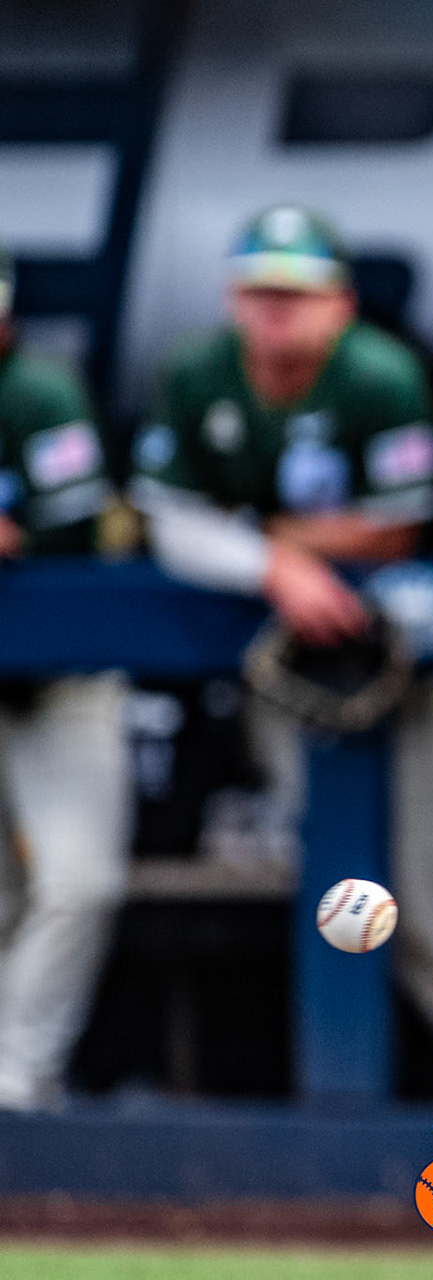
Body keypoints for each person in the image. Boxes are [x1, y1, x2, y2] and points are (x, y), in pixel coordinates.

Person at [132, 205, 433, 1108]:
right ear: (235, 297)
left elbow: (390, 531)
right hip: (287, 675)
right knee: (364, 906)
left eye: (297, 295)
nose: (278, 313)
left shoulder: (381, 377)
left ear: (339, 304)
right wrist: (278, 562)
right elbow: (165, 527)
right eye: (262, 293)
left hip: (411, 663)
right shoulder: (198, 375)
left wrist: (253, 536)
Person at [0, 241, 131, 1111]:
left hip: (60, 677)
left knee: (80, 883)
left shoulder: (39, 394)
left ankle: (15, 1076)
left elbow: (69, 541)